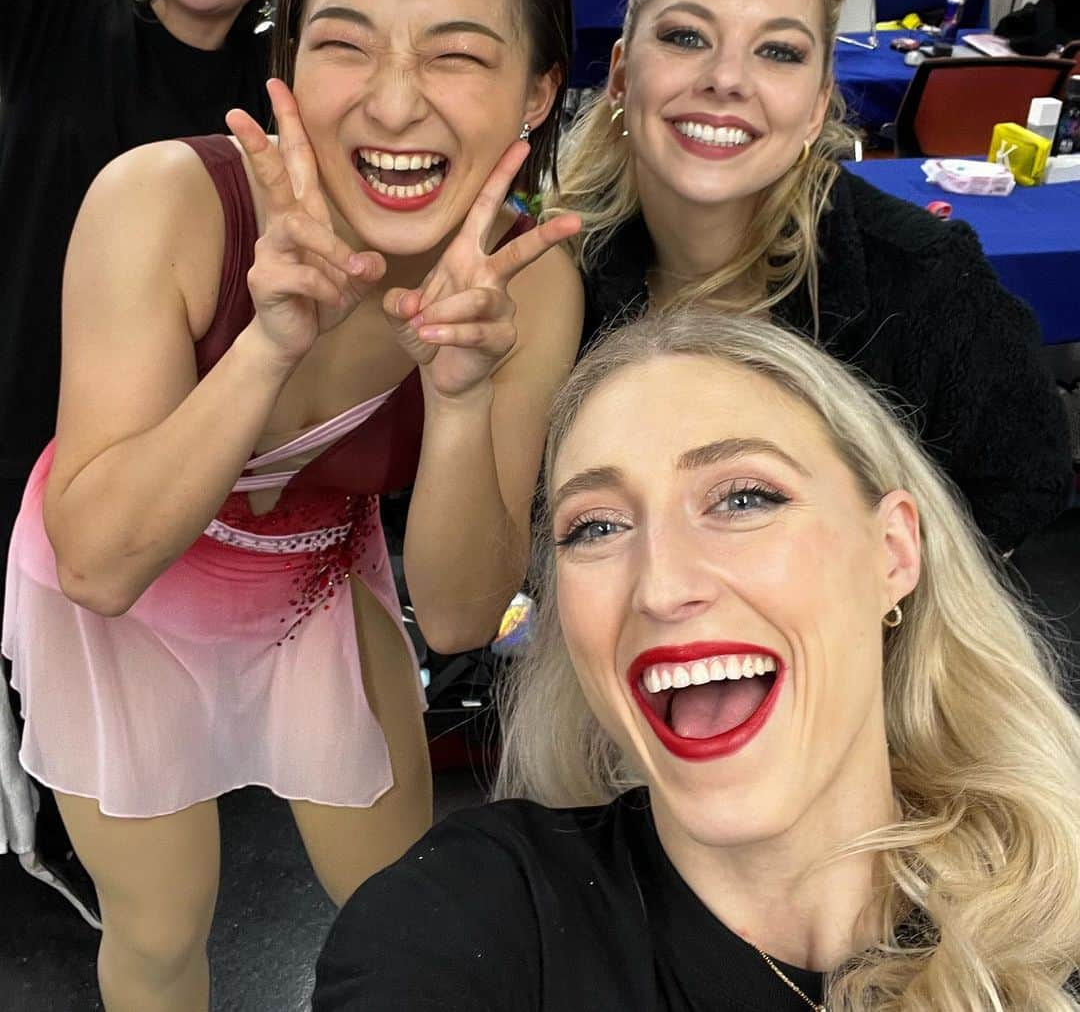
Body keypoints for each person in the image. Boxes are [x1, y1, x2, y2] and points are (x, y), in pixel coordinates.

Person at [3, 0, 583, 1012]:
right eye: (345, 44)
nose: (396, 103)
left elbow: (465, 615)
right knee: (161, 934)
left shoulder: (531, 280)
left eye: (459, 55)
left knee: (413, 908)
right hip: (126, 584)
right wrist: (266, 344)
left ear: (536, 92)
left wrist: (461, 401)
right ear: (286, 67)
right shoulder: (160, 201)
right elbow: (102, 563)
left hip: (316, 574)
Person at [315, 308, 1080, 1011]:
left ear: (892, 552)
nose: (663, 585)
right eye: (595, 527)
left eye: (743, 498)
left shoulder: (1060, 933)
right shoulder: (471, 916)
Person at [0, 0, 290, 920]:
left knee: (122, 642)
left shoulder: (276, 100)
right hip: (17, 374)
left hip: (163, 422)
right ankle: (35, 815)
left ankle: (94, 821)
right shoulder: (68, 14)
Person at [546, 0, 1072, 556]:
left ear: (819, 104)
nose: (727, 77)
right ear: (621, 76)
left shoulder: (923, 280)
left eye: (779, 52)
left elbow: (1025, 482)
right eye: (686, 37)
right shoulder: (557, 274)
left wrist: (870, 608)